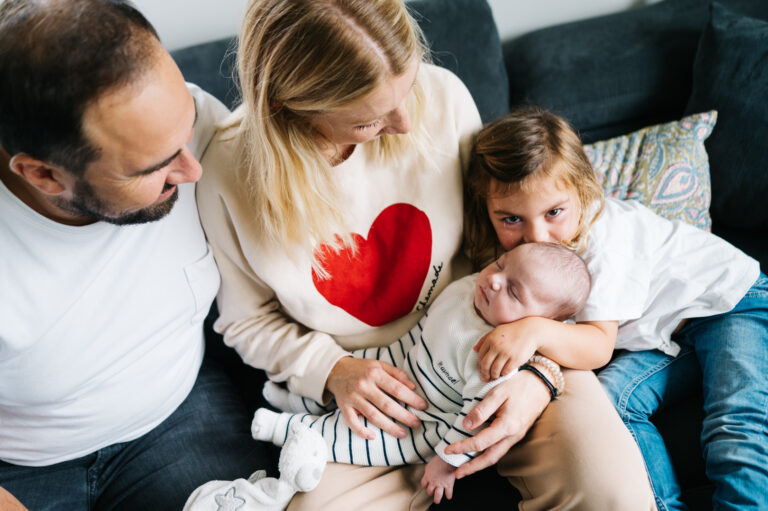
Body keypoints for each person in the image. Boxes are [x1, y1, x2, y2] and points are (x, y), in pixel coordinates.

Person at [197, 0, 656, 509]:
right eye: (370, 120)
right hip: (365, 407)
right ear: (289, 107)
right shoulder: (227, 175)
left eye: (409, 86)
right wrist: (334, 371)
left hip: (496, 353)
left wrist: (540, 373)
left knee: (611, 491)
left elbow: (522, 253)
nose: (407, 121)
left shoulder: (444, 100)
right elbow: (246, 322)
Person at [0, 1, 273, 509]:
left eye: (186, 130)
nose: (192, 170)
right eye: (153, 167)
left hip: (180, 415)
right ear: (43, 175)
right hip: (23, 470)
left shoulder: (197, 131)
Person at [465, 105, 767, 511]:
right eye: (511, 219)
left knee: (736, 426)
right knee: (611, 404)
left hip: (729, 301)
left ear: (582, 189)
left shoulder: (604, 238)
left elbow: (597, 346)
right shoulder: (512, 260)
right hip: (664, 335)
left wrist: (534, 329)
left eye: (554, 212)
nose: (537, 236)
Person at [251, 242, 590, 505]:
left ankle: (289, 429)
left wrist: (445, 464)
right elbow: (427, 329)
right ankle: (299, 399)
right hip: (407, 360)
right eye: (500, 263)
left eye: (514, 291)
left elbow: (471, 422)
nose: (495, 280)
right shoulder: (473, 288)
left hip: (422, 419)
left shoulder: (494, 360)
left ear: (540, 323)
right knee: (361, 370)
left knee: (365, 435)